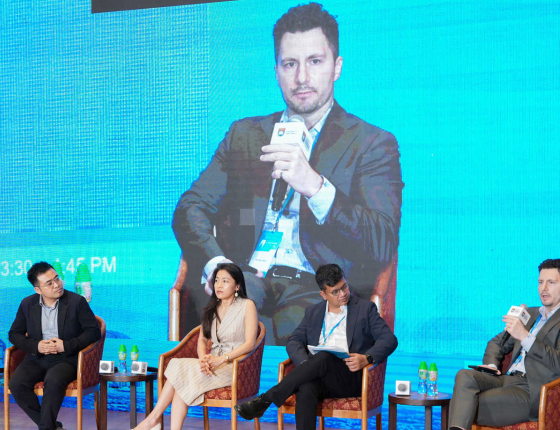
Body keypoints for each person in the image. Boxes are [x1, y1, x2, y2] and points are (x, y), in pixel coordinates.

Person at [172, 2, 403, 346]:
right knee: (234, 318)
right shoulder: (245, 136)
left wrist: (316, 187)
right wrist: (217, 266)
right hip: (248, 278)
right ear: (277, 71)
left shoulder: (371, 143)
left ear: (337, 67)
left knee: (294, 335)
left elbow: (382, 239)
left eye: (315, 61)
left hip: (317, 288)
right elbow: (190, 207)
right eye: (290, 64)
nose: (302, 78)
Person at [431, 259, 560, 430]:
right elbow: (497, 343)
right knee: (465, 376)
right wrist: (491, 365)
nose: (543, 288)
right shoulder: (530, 314)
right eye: (540, 282)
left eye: (551, 283)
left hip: (533, 391)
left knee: (461, 403)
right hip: (506, 379)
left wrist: (525, 336)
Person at [235, 263, 398, 430]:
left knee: (324, 357)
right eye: (335, 291)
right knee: (306, 387)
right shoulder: (313, 312)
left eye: (344, 287)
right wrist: (306, 366)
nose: (343, 294)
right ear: (323, 294)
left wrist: (367, 358)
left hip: (351, 377)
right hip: (319, 374)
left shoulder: (365, 309)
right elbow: (294, 341)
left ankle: (266, 399)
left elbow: (389, 339)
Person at [123, 263, 259, 430]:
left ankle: (154, 421)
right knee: (180, 380)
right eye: (217, 280)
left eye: (225, 281)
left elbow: (249, 344)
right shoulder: (213, 307)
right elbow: (202, 339)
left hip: (235, 366)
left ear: (237, 285)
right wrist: (203, 358)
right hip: (211, 362)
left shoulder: (247, 306)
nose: (219, 285)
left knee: (178, 369)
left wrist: (221, 359)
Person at [8, 261, 102, 430]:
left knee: (53, 379)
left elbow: (94, 332)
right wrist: (37, 346)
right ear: (38, 289)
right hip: (37, 357)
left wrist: (65, 346)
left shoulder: (76, 301)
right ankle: (53, 429)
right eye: (49, 283)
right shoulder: (27, 304)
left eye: (57, 279)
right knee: (16, 384)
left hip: (67, 358)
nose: (57, 284)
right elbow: (14, 334)